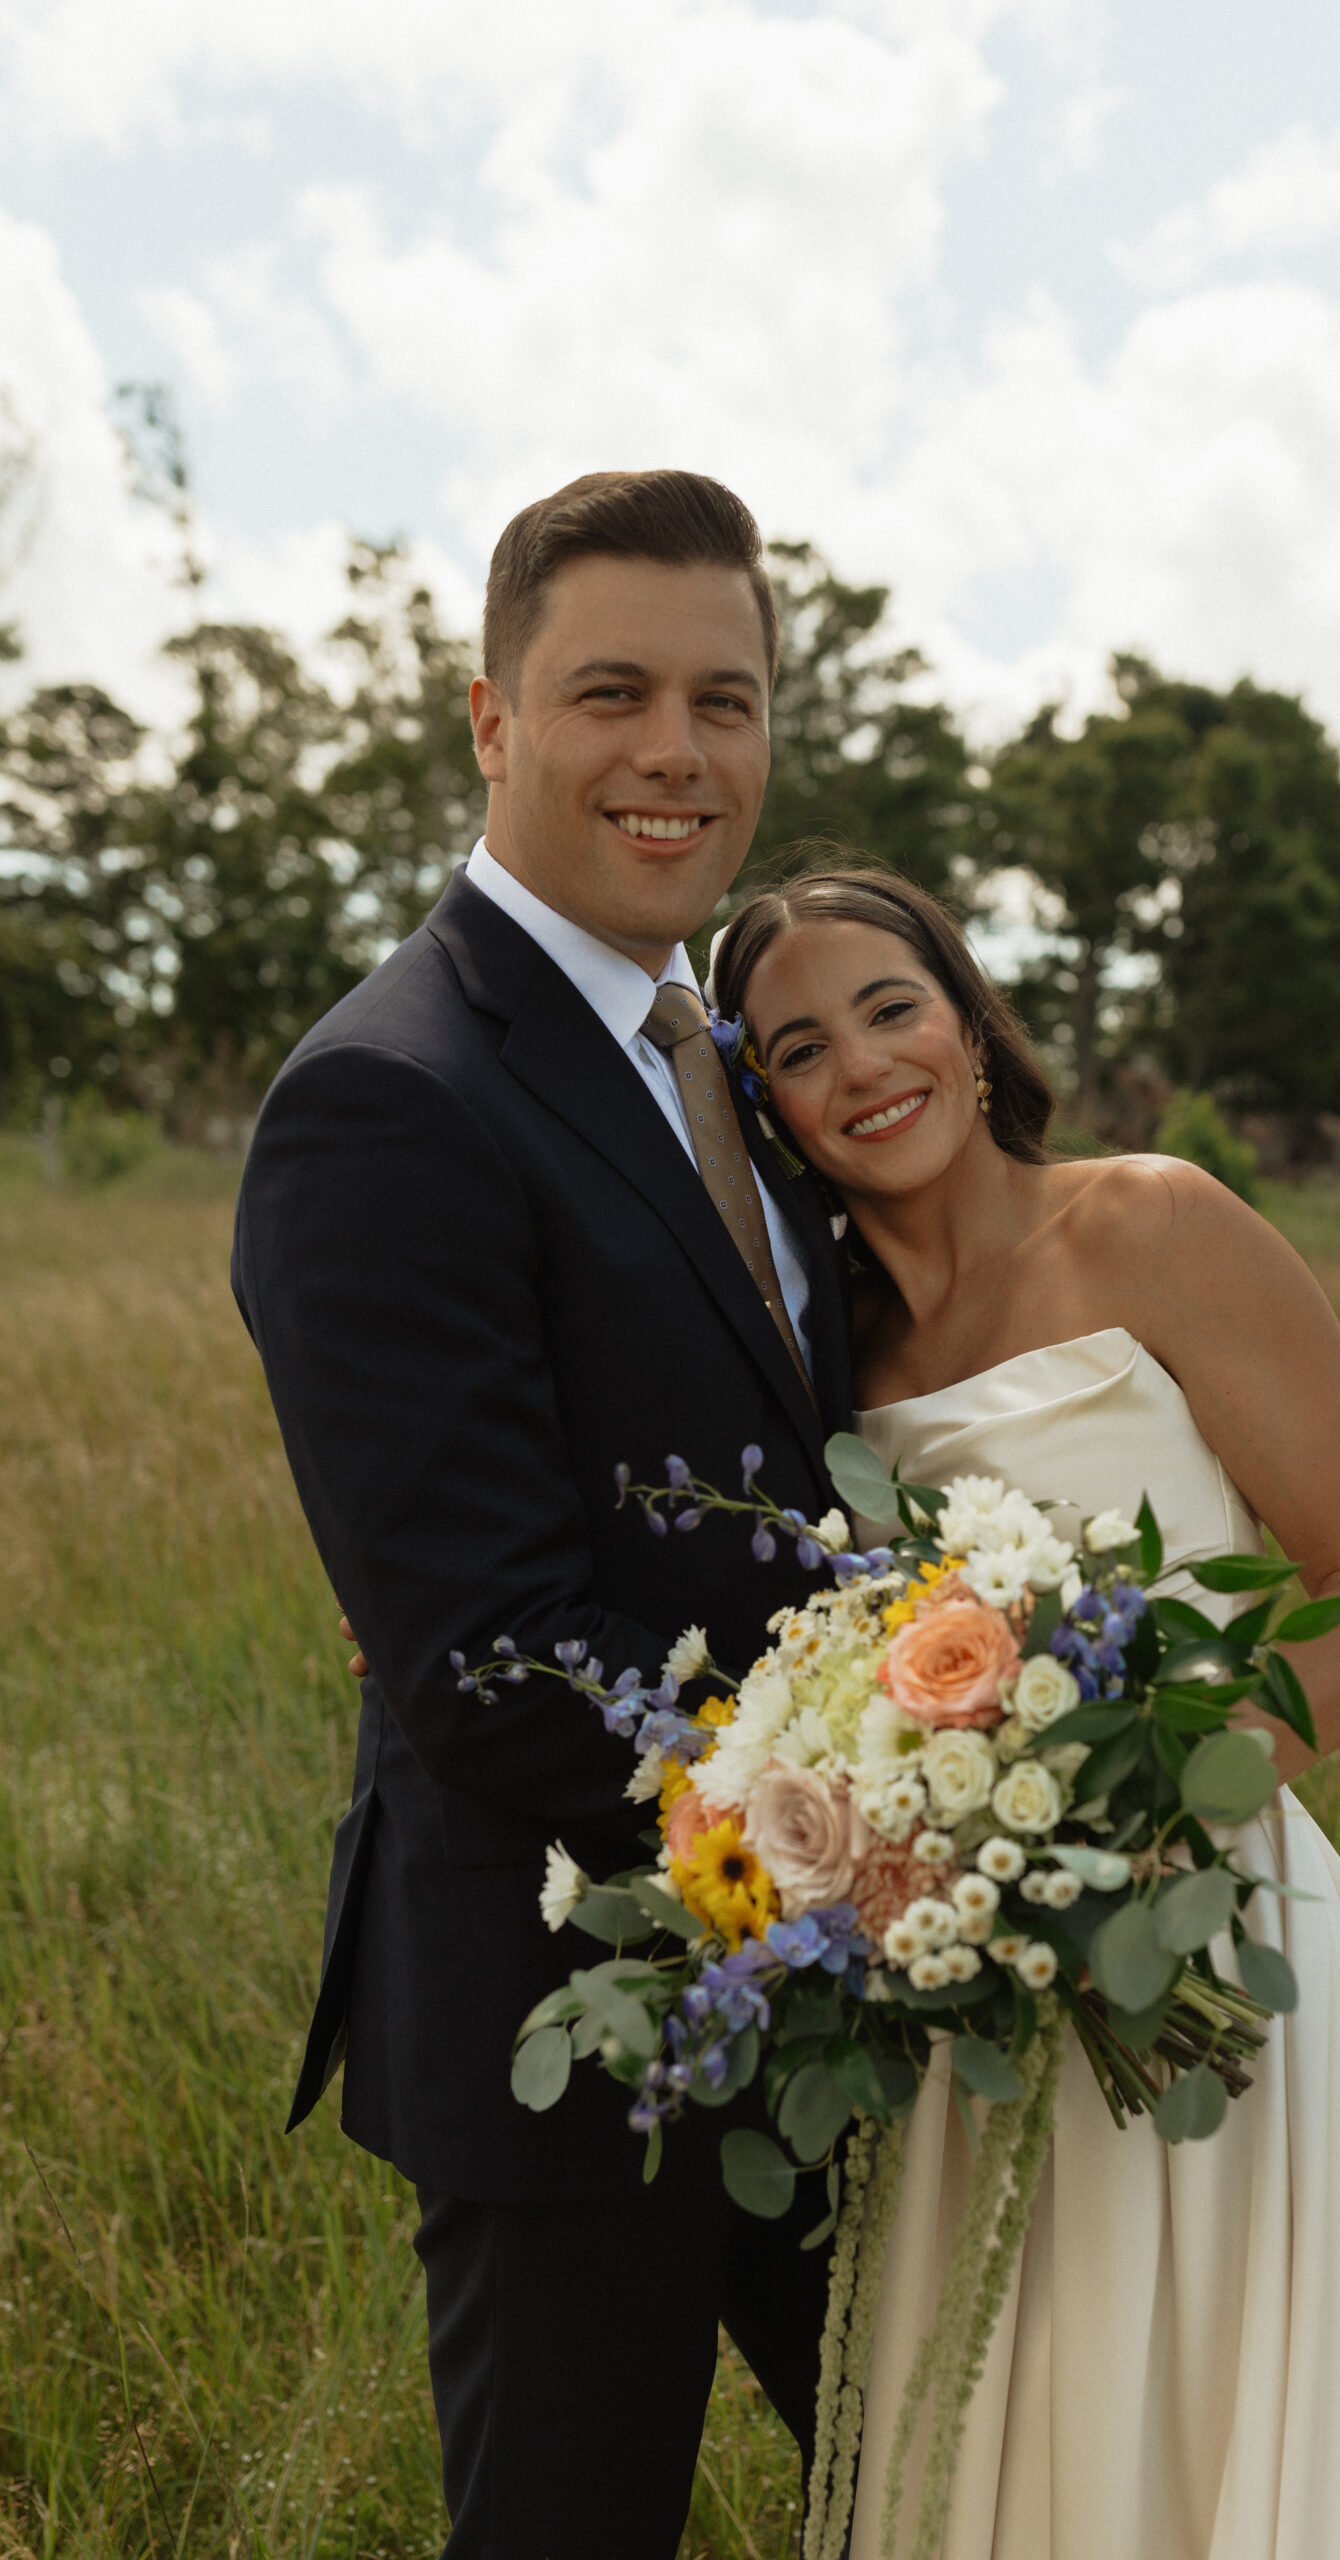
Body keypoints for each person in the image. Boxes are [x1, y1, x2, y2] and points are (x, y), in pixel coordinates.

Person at [710, 867, 1340, 2560]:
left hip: (1212, 1928)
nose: (866, 1066)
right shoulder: (829, 1346)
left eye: (893, 1006)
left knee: (1287, 2399)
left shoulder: (1150, 1222)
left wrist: (1137, 1834)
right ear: (765, 1104)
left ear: (966, 1013)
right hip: (984, 1987)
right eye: (802, 1047)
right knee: (1047, 2420)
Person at [233, 471, 855, 2560]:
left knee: (962, 2482)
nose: (677, 751)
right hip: (566, 2018)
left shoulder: (741, 1053)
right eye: (611, 691)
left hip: (840, 1988)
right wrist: (884, 1831)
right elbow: (493, 1660)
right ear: (491, 721)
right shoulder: (390, 1097)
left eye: (726, 697)